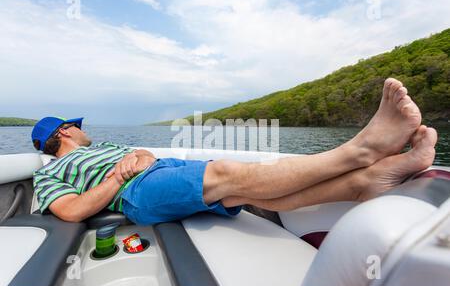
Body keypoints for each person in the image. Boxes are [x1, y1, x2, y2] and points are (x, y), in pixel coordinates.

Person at [31, 78, 438, 225]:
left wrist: (141, 156)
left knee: (241, 191)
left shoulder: (102, 146)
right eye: (76, 127)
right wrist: (121, 173)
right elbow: (71, 212)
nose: (84, 132)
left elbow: (141, 154)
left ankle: (362, 184)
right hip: (135, 194)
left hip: (155, 171)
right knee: (228, 172)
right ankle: (361, 151)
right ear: (64, 132)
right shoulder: (48, 172)